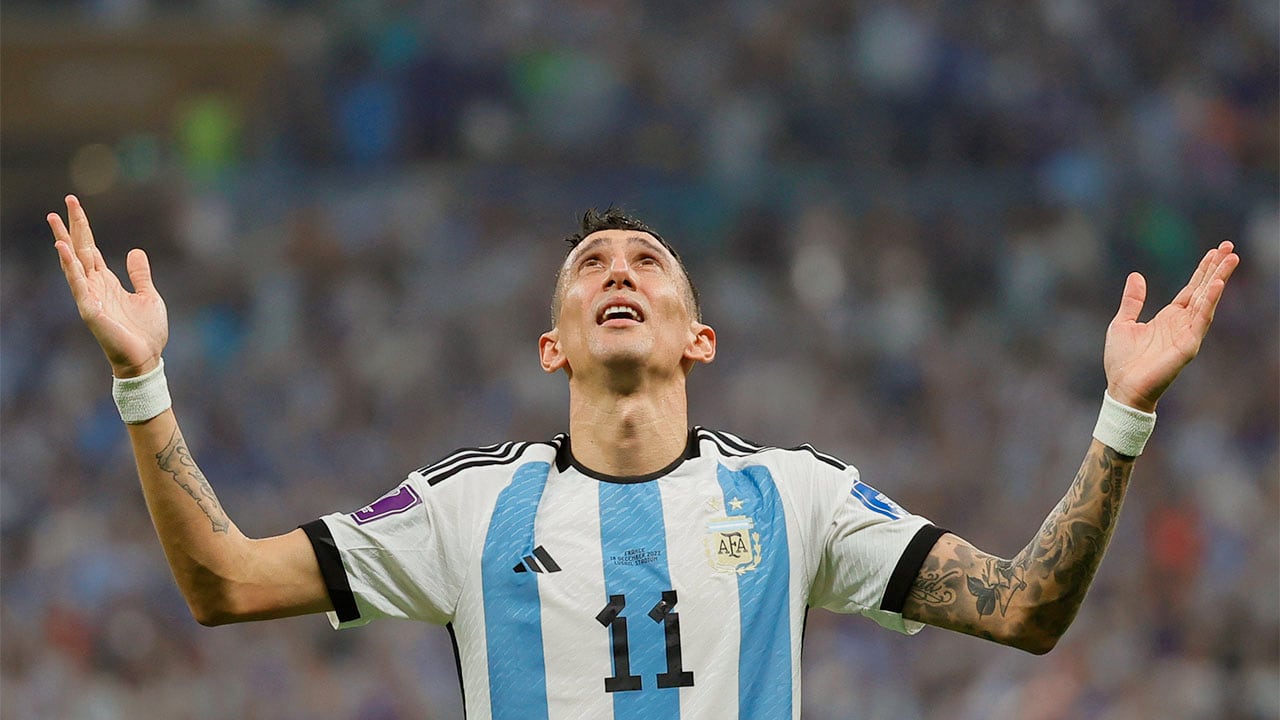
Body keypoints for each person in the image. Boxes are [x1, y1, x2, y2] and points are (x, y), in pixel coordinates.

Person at [49, 195, 1239, 719]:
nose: (617, 272)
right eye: (590, 267)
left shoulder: (793, 497)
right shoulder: (466, 510)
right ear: (552, 345)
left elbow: (1025, 609)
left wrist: (1121, 414)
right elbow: (225, 583)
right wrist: (141, 379)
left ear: (697, 338)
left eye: (647, 263)